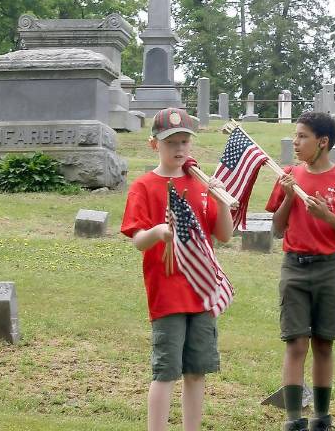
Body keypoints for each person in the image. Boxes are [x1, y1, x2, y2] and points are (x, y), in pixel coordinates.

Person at [120, 108, 233, 431]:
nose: (179, 149)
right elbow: (138, 240)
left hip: (201, 291)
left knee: (196, 371)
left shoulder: (200, 184)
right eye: (171, 142)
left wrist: (222, 200)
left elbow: (223, 235)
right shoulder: (144, 186)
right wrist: (160, 232)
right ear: (154, 144)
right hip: (166, 293)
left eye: (184, 141)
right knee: (166, 371)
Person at [265, 111, 335, 431]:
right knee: (296, 344)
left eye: (302, 136)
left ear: (322, 142)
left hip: (329, 269)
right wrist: (287, 196)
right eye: (296, 136)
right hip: (294, 267)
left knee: (324, 343)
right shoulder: (289, 175)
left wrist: (327, 217)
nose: (295, 142)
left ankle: (321, 418)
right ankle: (293, 420)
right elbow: (277, 230)